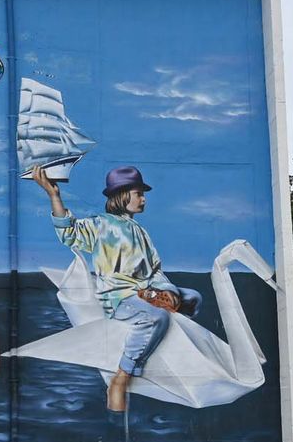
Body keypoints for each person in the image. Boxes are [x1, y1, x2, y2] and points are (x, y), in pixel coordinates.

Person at [29, 164, 202, 412]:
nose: (143, 199)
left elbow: (155, 270)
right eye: (138, 194)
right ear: (122, 196)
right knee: (156, 317)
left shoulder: (141, 232)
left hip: (146, 290)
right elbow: (69, 233)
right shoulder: (101, 225)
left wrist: (169, 291)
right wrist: (54, 195)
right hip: (120, 297)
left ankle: (161, 321)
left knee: (193, 297)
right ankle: (121, 377)